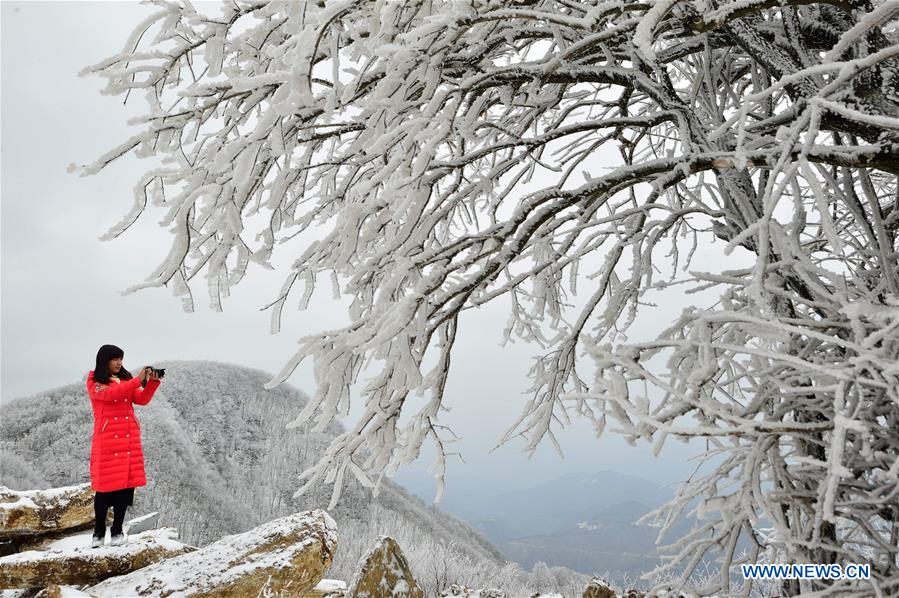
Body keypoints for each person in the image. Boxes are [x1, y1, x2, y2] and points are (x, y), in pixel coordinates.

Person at [86, 344, 162, 548]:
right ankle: (98, 532)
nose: (119, 362)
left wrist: (152, 382)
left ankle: (117, 529)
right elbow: (113, 395)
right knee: (104, 489)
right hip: (108, 441)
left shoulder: (126, 380)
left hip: (128, 439)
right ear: (104, 360)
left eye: (121, 358)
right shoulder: (95, 382)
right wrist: (138, 380)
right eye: (115, 359)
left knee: (126, 487)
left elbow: (141, 399)